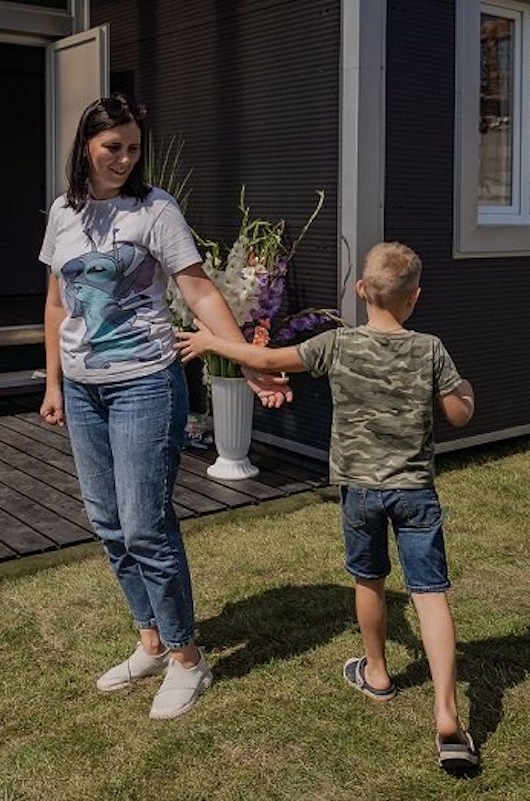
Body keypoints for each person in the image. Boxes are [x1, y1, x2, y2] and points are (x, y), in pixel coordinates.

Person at [175, 242, 481, 768]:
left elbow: (266, 360)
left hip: (360, 492)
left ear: (361, 290)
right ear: (415, 297)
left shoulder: (337, 344)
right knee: (430, 594)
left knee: (370, 581)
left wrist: (210, 342)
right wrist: (465, 391)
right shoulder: (430, 349)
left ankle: (377, 673)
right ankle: (447, 712)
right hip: (415, 492)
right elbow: (458, 414)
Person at [37, 94, 290, 720]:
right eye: (112, 147)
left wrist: (248, 361)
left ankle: (187, 659)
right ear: (86, 146)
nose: (124, 158)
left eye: (132, 148)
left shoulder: (155, 210)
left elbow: (199, 292)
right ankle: (150, 641)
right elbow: (56, 303)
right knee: (107, 521)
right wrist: (53, 384)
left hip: (145, 385)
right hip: (82, 388)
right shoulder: (64, 212)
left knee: (146, 524)